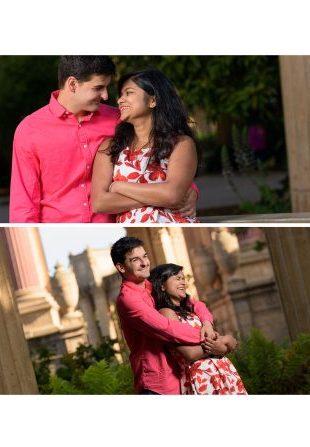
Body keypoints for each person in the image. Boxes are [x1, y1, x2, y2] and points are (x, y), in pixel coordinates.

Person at [9, 56, 196, 223]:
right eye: (98, 88)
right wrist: (167, 196)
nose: (106, 96)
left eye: (106, 87)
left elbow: (164, 151)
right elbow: (24, 203)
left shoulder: (119, 119)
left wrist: (189, 189)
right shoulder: (30, 130)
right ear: (72, 84)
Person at [111, 236, 225, 394]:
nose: (144, 263)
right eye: (135, 259)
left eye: (145, 256)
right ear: (121, 267)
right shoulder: (128, 300)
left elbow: (194, 304)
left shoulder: (154, 286)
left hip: (180, 376)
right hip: (157, 385)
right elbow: (168, 328)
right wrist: (216, 341)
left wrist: (207, 324)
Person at [91, 69, 199, 223]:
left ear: (152, 101)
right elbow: (99, 203)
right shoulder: (110, 147)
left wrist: (120, 187)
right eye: (120, 95)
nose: (120, 100)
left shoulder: (181, 144)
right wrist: (159, 196)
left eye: (128, 93)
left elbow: (172, 194)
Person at [150, 263, 248, 395]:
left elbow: (212, 338)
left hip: (222, 374)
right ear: (162, 285)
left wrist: (224, 344)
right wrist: (225, 341)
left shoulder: (189, 310)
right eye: (177, 279)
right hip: (203, 379)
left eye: (183, 278)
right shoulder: (166, 312)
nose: (183, 282)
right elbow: (189, 354)